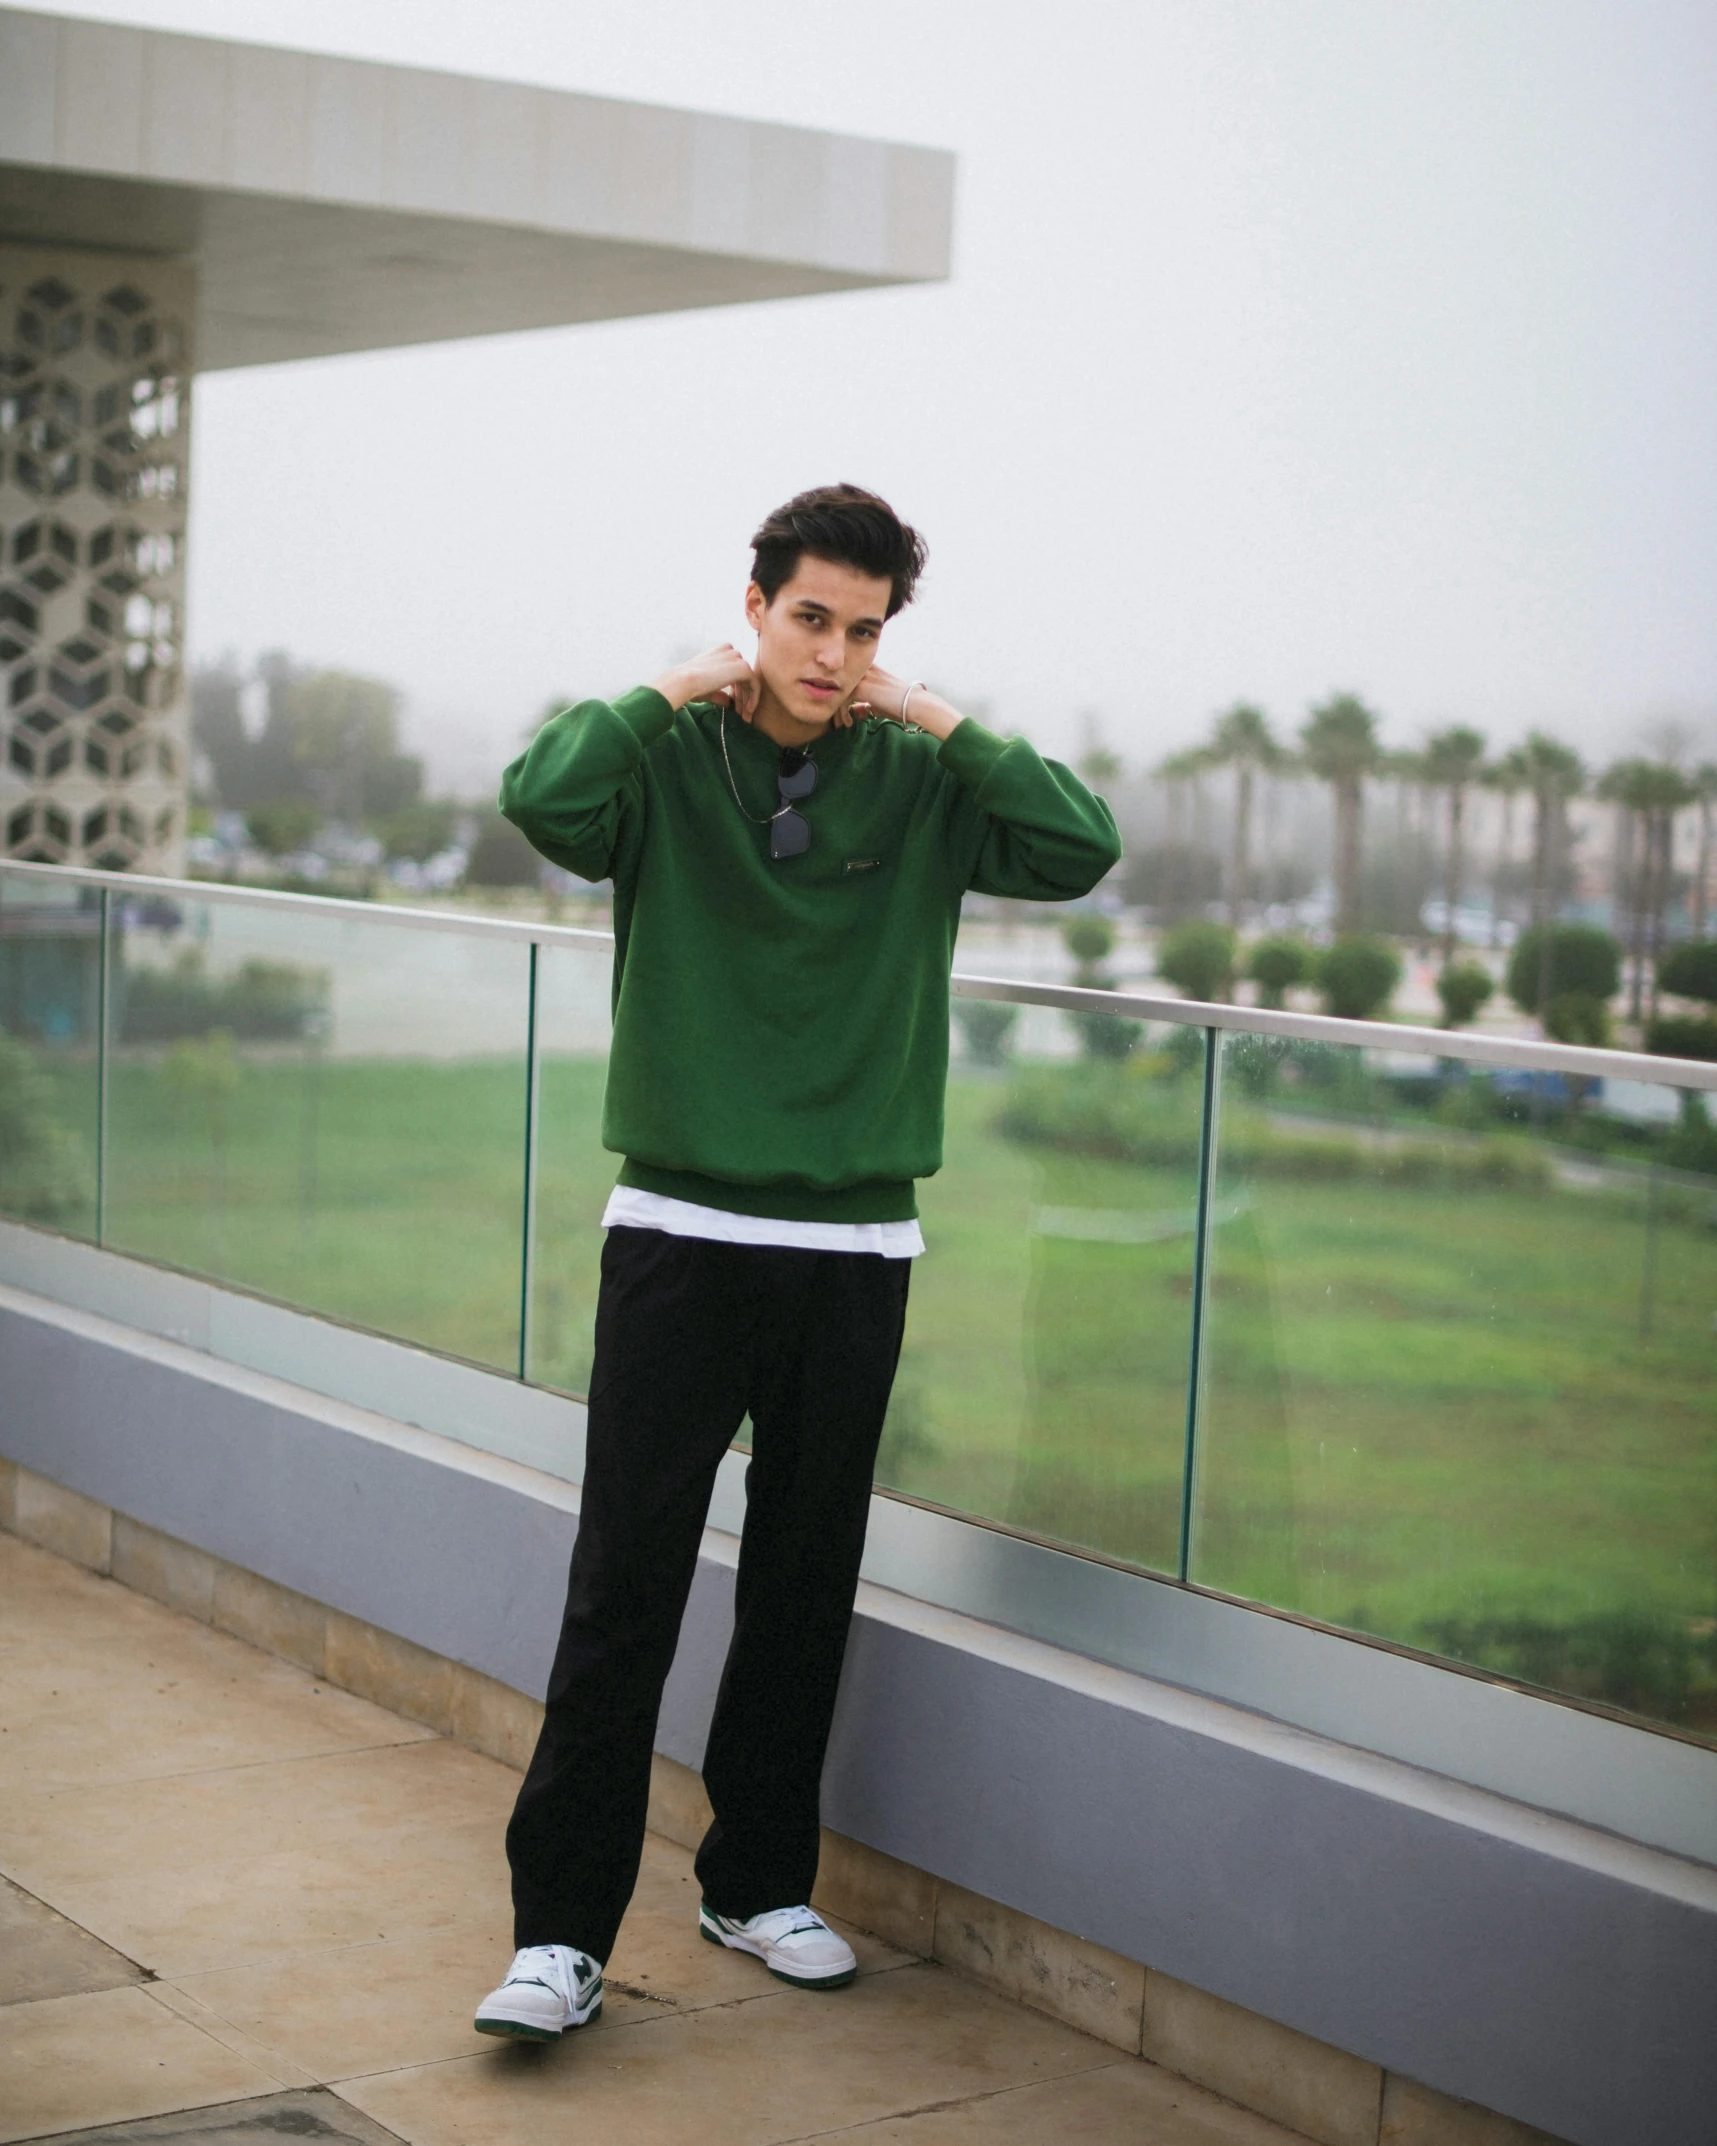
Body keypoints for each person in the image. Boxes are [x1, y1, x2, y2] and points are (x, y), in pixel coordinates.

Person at [474, 483, 1120, 2041]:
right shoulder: (666, 760)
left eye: (866, 628)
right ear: (756, 602)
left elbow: (1079, 843)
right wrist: (674, 685)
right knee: (625, 1585)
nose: (835, 653)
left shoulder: (918, 772)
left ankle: (755, 1881)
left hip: (854, 1243)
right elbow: (541, 799)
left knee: (803, 1581)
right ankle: (561, 1933)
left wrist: (930, 710)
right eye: (812, 617)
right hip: (683, 1233)